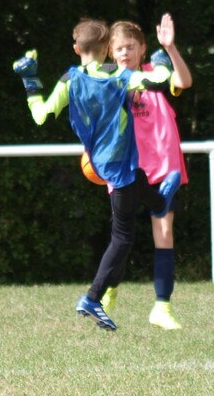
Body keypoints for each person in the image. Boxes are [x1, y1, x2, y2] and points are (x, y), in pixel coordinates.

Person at [12, 18, 181, 331]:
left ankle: (159, 201)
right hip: (119, 167)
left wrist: (30, 80)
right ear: (107, 49)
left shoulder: (69, 79)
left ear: (76, 49)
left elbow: (40, 116)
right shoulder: (118, 75)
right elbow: (159, 80)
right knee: (122, 238)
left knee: (143, 183)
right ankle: (92, 298)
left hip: (98, 162)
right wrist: (160, 60)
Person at [100, 14, 192, 330]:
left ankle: (162, 308)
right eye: (119, 48)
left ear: (142, 49)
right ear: (111, 53)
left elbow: (184, 82)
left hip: (163, 166)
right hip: (127, 167)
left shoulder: (156, 72)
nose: (125, 52)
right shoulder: (108, 79)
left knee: (164, 234)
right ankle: (109, 289)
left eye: (131, 46)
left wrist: (170, 48)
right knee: (122, 238)